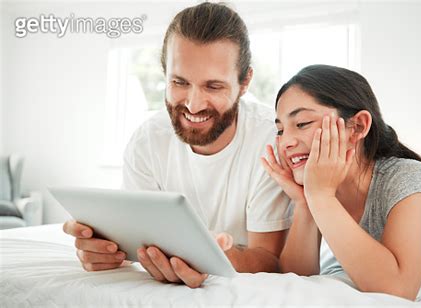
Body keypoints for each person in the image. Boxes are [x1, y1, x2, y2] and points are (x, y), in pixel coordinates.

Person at [63, 2, 292, 288]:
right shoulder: (147, 141)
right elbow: (139, 242)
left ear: (244, 82)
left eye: (213, 86)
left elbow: (271, 259)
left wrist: (211, 258)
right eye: (179, 82)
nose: (193, 104)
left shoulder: (271, 139)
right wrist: (106, 251)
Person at [261, 64, 421, 300]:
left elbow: (399, 289)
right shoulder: (318, 182)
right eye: (280, 130)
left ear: (357, 126)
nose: (285, 142)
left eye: (302, 123)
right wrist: (306, 202)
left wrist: (321, 197)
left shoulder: (405, 176)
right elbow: (295, 279)